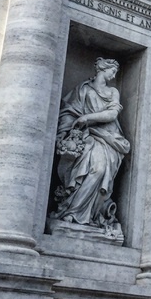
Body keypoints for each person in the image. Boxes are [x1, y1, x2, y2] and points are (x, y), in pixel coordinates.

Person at [53, 58, 131, 229]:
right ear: (103, 69)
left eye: (116, 72)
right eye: (112, 70)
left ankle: (87, 214)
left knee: (100, 170)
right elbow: (69, 111)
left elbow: (111, 115)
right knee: (84, 171)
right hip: (86, 136)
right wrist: (64, 133)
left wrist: (87, 117)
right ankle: (72, 212)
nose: (114, 74)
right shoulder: (82, 89)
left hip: (108, 138)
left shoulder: (112, 92)